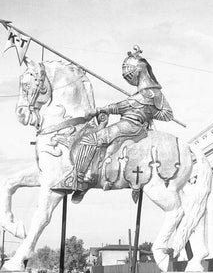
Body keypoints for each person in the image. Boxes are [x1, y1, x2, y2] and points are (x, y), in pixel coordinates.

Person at [69, 45, 173, 201]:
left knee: (89, 140)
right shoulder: (152, 92)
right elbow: (166, 114)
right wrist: (149, 110)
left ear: (138, 71)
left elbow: (121, 107)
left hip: (130, 126)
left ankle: (79, 181)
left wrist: (98, 110)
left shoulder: (147, 93)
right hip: (133, 125)